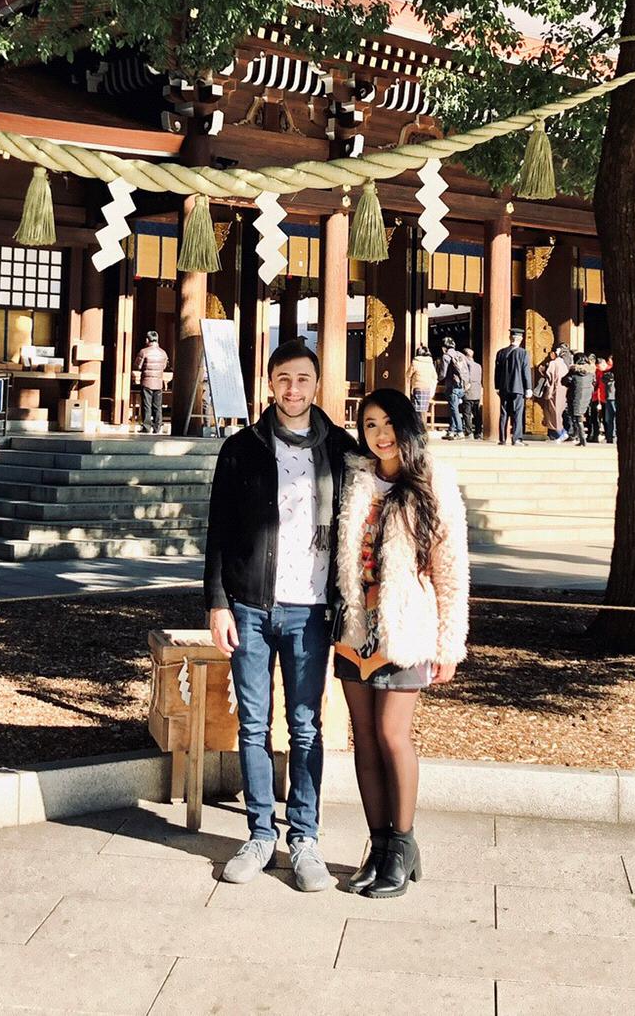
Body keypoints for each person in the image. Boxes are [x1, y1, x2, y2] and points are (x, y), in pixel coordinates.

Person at [204, 338, 360, 893]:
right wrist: (217, 603)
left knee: (305, 725)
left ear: (317, 385)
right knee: (253, 722)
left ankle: (305, 838)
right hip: (250, 604)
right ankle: (259, 834)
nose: (293, 389)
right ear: (269, 383)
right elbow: (219, 530)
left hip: (310, 609)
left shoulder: (341, 449)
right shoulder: (241, 448)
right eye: (284, 379)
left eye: (303, 379)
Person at [335, 388, 469, 899]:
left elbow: (450, 568)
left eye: (389, 423)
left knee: (393, 734)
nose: (380, 435)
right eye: (370, 425)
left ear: (407, 426)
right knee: (364, 738)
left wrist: (449, 644)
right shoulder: (356, 480)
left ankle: (403, 844)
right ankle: (378, 846)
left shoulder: (433, 482)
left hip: (405, 626)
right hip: (354, 626)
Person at [494, 328, 532, 446]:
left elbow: (497, 371)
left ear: (510, 338)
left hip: (503, 387)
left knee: (504, 413)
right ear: (521, 339)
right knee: (517, 413)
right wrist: (528, 387)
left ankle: (502, 439)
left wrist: (497, 386)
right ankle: (516, 439)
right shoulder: (523, 353)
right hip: (518, 387)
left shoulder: (501, 352)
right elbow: (526, 371)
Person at [134, 330, 169, 434]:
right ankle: (157, 427)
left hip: (147, 382)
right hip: (158, 383)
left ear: (147, 340)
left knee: (147, 405)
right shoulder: (163, 353)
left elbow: (138, 366)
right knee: (158, 406)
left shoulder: (144, 352)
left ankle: (146, 426)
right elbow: (164, 366)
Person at [436, 338, 468, 439]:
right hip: (461, 386)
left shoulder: (446, 356)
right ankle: (452, 430)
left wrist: (437, 379)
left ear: (444, 348)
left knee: (454, 409)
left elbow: (443, 374)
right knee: (454, 408)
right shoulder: (461, 355)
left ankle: (459, 431)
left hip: (452, 386)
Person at [538, 348, 569, 442]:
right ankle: (556, 434)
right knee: (558, 412)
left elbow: (550, 378)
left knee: (553, 413)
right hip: (562, 390)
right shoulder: (564, 364)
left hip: (554, 391)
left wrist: (542, 370)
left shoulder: (553, 363)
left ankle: (561, 433)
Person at [566, 352, 596, 446]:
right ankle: (580, 437)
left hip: (575, 395)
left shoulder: (573, 371)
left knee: (576, 417)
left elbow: (565, 381)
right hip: (586, 396)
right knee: (580, 416)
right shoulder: (591, 372)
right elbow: (594, 382)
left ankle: (582, 439)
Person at [408, 347, 438, 432]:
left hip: (418, 387)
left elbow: (408, 374)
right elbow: (435, 376)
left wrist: (411, 380)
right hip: (427, 388)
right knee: (424, 409)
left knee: (417, 408)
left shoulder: (415, 362)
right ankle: (423, 426)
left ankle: (418, 427)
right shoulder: (430, 363)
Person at [594, 355, 618, 444]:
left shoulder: (609, 371)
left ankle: (612, 436)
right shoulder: (604, 372)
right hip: (606, 397)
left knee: (612, 417)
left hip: (611, 396)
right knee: (608, 419)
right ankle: (609, 436)